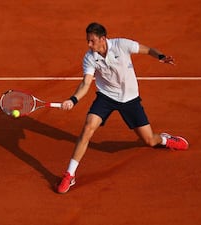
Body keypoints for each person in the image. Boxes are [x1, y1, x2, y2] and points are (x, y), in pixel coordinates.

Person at [57, 22, 189, 194]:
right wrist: (73, 100)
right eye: (88, 41)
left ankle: (164, 140)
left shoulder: (122, 45)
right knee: (88, 127)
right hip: (106, 97)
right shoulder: (90, 57)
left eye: (92, 41)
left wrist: (161, 56)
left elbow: (148, 49)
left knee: (149, 140)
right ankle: (70, 174)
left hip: (130, 99)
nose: (89, 45)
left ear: (103, 39)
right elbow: (86, 82)